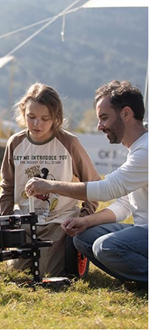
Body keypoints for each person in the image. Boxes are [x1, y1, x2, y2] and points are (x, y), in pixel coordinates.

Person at [26, 80, 148, 284]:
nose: (99, 126)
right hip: (142, 231)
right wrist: (86, 221)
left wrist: (52, 186)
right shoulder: (136, 149)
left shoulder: (145, 151)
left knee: (105, 246)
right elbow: (126, 204)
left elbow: (107, 189)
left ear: (126, 114)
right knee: (82, 239)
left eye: (104, 118)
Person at [0, 83, 100, 277]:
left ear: (56, 117)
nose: (37, 124)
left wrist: (83, 219)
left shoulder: (69, 143)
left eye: (45, 118)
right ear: (23, 112)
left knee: (49, 275)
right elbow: (7, 186)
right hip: (25, 221)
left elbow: (93, 184)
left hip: (59, 221)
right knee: (18, 274)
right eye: (32, 117)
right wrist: (6, 219)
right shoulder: (15, 143)